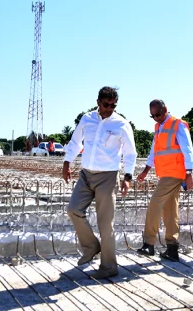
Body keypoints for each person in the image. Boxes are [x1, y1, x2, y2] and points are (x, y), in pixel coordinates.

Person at [63, 86, 138, 279]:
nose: (110, 108)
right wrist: (66, 163)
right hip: (86, 174)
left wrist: (127, 177)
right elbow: (75, 143)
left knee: (106, 225)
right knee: (73, 210)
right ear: (98, 102)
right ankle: (91, 246)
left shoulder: (121, 124)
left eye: (113, 105)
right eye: (106, 104)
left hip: (108, 177)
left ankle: (109, 267)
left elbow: (130, 153)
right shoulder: (87, 119)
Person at [136, 100, 193, 262]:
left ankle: (149, 243)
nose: (156, 118)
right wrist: (145, 171)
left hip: (175, 172)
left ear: (166, 110)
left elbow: (188, 150)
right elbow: (153, 152)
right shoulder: (158, 128)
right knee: (170, 210)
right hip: (165, 174)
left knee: (155, 203)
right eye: (153, 116)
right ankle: (172, 248)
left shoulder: (178, 124)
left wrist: (189, 173)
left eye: (158, 114)